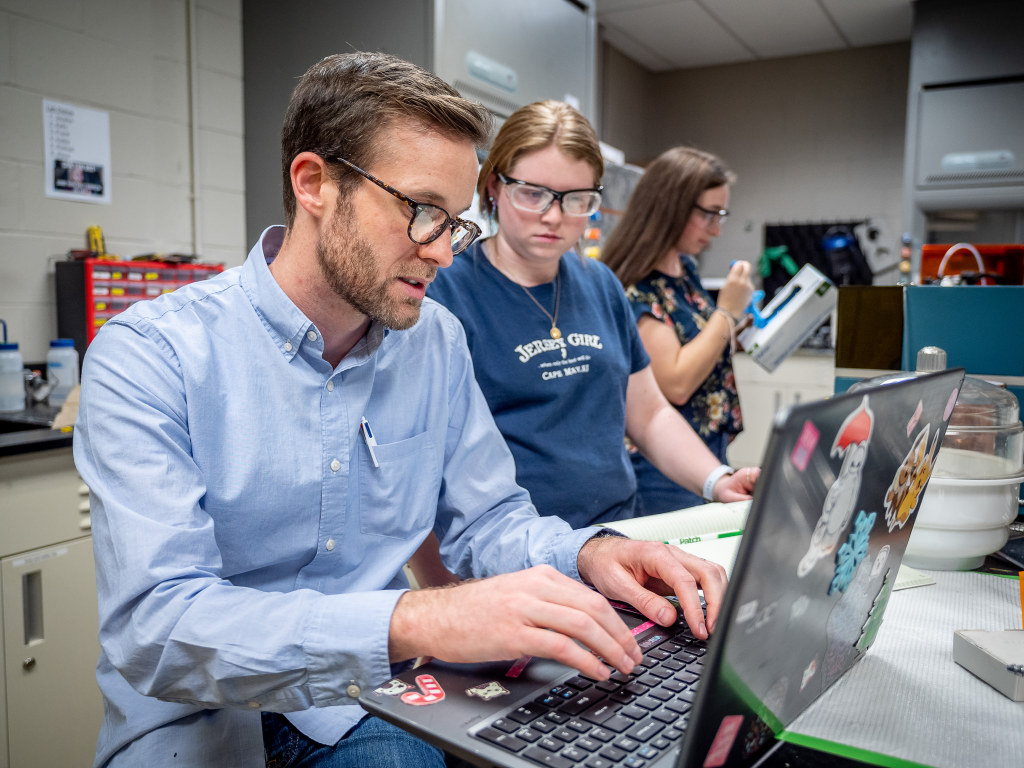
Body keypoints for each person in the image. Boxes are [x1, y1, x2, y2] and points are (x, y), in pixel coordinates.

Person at [74, 53, 733, 768]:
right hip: (198, 719)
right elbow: (158, 626)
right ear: (314, 183)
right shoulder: (149, 354)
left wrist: (590, 553)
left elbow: (486, 521)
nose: (446, 254)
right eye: (423, 213)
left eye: (456, 224)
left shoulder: (434, 342)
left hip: (359, 703)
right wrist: (420, 615)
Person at [427, 101, 758, 531]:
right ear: (493, 187)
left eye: (576, 200)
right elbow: (427, 461)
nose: (554, 216)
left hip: (618, 530)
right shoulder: (448, 289)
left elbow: (648, 414)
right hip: (512, 547)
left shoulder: (600, 283)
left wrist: (717, 480)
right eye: (533, 193)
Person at [603, 147, 756, 515]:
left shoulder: (684, 268)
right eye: (708, 215)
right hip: (665, 467)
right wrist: (727, 313)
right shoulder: (636, 286)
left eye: (721, 215)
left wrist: (730, 329)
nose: (716, 230)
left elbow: (694, 343)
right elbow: (676, 382)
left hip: (705, 450)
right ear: (671, 206)